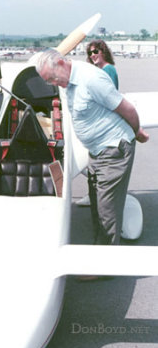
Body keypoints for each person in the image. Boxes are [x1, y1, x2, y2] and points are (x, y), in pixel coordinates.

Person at [35, 48, 149, 245]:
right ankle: (100, 248)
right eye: (48, 81)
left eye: (53, 78)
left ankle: (103, 264)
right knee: (97, 202)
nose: (54, 84)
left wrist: (137, 132)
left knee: (107, 209)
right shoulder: (68, 81)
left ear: (61, 63)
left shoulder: (91, 79)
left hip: (113, 148)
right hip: (97, 151)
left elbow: (128, 109)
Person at [77, 40, 119, 207]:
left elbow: (108, 97)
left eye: (95, 51)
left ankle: (100, 198)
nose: (92, 55)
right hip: (99, 121)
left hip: (103, 124)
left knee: (99, 162)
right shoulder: (101, 70)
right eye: (90, 53)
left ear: (103, 51)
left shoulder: (108, 70)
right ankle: (93, 195)